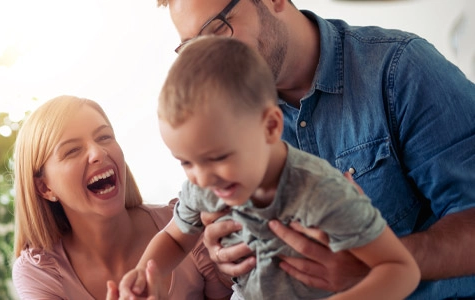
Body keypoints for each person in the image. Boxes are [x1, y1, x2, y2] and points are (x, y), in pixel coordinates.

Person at [155, 0, 475, 298]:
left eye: (218, 28)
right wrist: (227, 260)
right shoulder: (223, 126)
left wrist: (370, 265)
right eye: (195, 48)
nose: (213, 61)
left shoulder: (400, 69)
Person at [117, 35, 420, 300]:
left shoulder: (321, 190)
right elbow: (173, 238)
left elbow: (401, 270)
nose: (203, 177)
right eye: (185, 162)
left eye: (218, 157)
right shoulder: (203, 186)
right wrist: (147, 273)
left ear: (271, 126)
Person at [11, 95, 233, 300]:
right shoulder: (41, 273)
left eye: (104, 137)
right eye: (72, 150)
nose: (98, 152)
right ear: (44, 187)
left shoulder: (187, 224)